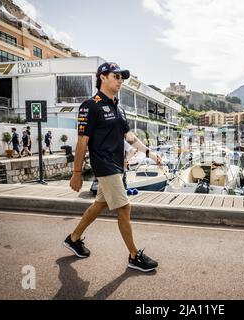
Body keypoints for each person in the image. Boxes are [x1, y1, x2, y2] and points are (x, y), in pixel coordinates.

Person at [64, 62, 161, 272]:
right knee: (125, 207)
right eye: (116, 76)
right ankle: (134, 256)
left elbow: (130, 137)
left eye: (122, 77)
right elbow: (82, 141)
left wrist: (150, 154)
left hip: (117, 165)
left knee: (100, 204)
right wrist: (77, 172)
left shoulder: (119, 108)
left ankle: (73, 239)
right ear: (103, 77)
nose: (120, 80)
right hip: (104, 165)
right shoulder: (90, 106)